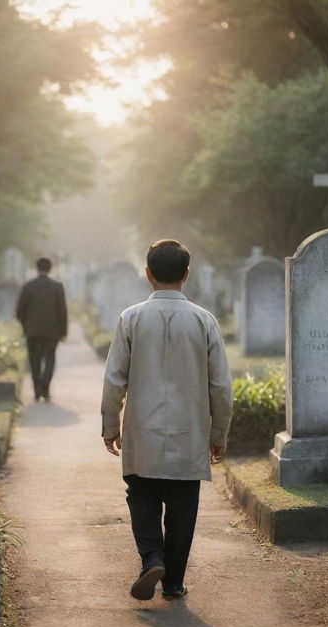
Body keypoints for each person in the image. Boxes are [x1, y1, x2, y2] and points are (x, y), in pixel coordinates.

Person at [101, 239, 232, 601]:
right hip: (189, 431)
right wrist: (219, 433)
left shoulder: (132, 318)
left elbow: (114, 379)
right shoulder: (204, 320)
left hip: (143, 430)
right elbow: (220, 385)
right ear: (186, 274)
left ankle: (151, 559)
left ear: (148, 274)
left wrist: (110, 426)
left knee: (141, 495)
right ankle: (173, 582)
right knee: (183, 505)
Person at [17, 256, 68, 401]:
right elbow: (62, 311)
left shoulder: (28, 286)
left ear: (36, 267)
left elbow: (20, 310)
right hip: (52, 332)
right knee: (50, 360)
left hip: (32, 331)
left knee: (34, 360)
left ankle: (37, 389)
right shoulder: (57, 286)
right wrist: (63, 331)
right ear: (50, 268)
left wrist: (26, 325)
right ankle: (45, 387)